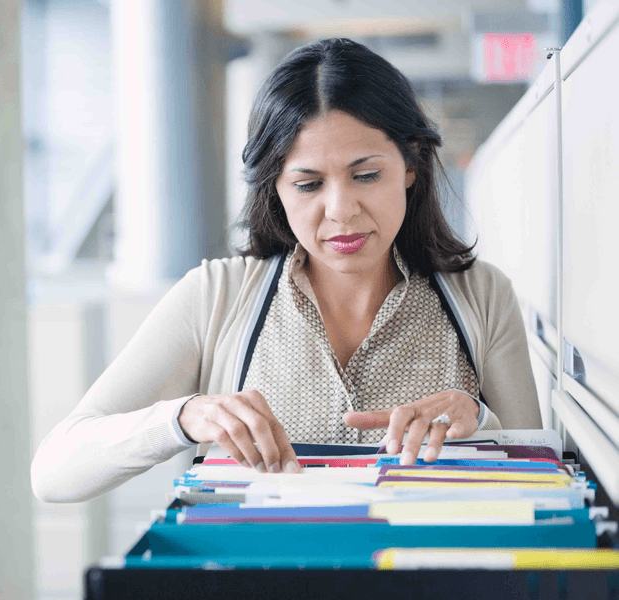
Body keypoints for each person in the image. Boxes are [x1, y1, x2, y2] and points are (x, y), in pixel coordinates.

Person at [31, 38, 541, 503]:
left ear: (410, 165)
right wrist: (184, 418)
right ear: (273, 186)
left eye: (366, 175)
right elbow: (54, 471)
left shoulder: (482, 296)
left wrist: (480, 422)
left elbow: (539, 479)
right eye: (308, 184)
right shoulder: (217, 297)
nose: (341, 210)